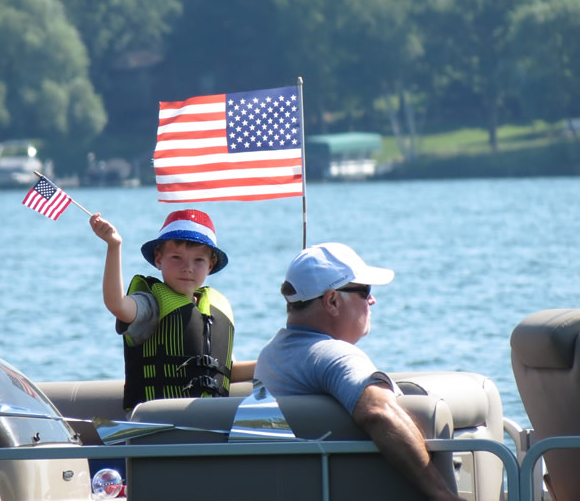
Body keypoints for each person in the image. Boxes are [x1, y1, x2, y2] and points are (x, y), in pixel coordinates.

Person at [255, 242, 462, 501]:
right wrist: (443, 495)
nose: (372, 300)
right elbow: (378, 412)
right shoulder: (333, 355)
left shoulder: (270, 355)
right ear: (331, 300)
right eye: (365, 291)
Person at [90, 208, 255, 411]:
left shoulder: (212, 310)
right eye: (177, 257)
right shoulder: (150, 304)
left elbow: (225, 370)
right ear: (158, 259)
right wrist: (114, 246)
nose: (188, 267)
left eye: (198, 260)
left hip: (209, 426)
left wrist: (271, 367)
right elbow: (117, 304)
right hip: (158, 424)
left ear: (210, 265)